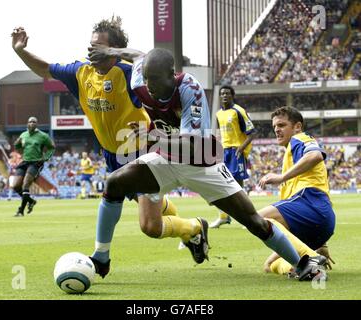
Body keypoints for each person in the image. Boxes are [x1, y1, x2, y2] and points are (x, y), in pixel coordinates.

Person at [88, 46, 327, 281]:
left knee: (253, 221)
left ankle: (302, 263)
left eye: (156, 79)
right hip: (164, 158)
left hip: (201, 162)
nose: (150, 85)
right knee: (114, 183)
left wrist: (150, 137)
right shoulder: (140, 81)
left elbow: (189, 146)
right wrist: (111, 51)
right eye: (148, 78)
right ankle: (100, 257)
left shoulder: (190, 89)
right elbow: (139, 55)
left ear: (172, 74)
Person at [11, 17, 191, 272]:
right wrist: (20, 50)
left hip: (144, 150)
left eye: (99, 46)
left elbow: (148, 59)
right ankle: (188, 233)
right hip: (112, 154)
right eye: (91, 44)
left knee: (149, 225)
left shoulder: (129, 73)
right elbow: (44, 69)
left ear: (114, 51)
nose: (91, 49)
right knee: (145, 206)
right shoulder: (80, 72)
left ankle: (192, 228)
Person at [258, 106, 336, 276]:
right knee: (271, 264)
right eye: (274, 127)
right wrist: (322, 244)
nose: (277, 130)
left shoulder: (300, 138)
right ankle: (306, 266)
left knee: (258, 218)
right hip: (316, 224)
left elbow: (315, 156)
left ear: (297, 127)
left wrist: (280, 177)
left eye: (281, 125)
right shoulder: (291, 154)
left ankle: (312, 256)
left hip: (311, 204)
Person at [209, 85, 256, 228]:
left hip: (237, 151)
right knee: (221, 183)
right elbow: (222, 133)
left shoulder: (238, 111)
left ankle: (250, 219)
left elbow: (252, 132)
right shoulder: (218, 114)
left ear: (232, 95)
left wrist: (241, 148)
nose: (224, 96)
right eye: (222, 93)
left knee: (238, 186)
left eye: (227, 93)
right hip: (224, 151)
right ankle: (223, 217)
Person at [12, 117, 55, 216]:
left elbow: (51, 148)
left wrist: (45, 157)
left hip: (36, 162)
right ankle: (31, 201)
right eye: (30, 122)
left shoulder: (43, 136)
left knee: (25, 184)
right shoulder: (23, 135)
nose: (32, 123)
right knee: (15, 186)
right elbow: (17, 146)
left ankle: (21, 211)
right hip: (25, 162)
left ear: (37, 124)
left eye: (34, 122)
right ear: (27, 124)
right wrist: (17, 145)